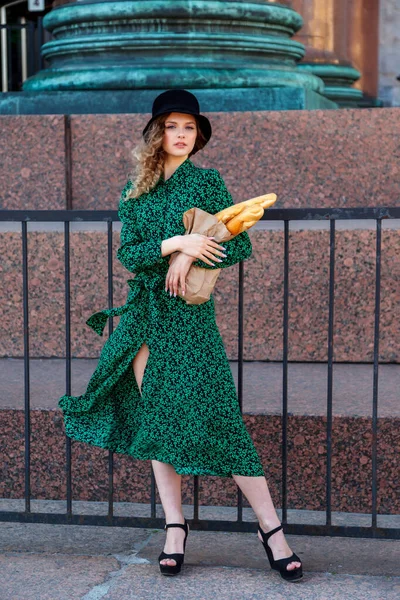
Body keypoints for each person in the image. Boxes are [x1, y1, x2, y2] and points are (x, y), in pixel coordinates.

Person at [58, 89, 303, 582]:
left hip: (190, 320)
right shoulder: (135, 192)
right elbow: (130, 254)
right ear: (156, 134)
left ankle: (271, 529)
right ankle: (175, 527)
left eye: (190, 128)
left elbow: (239, 244)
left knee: (221, 418)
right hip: (146, 320)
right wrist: (178, 242)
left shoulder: (207, 182)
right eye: (173, 127)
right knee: (158, 423)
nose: (182, 135)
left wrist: (191, 254)